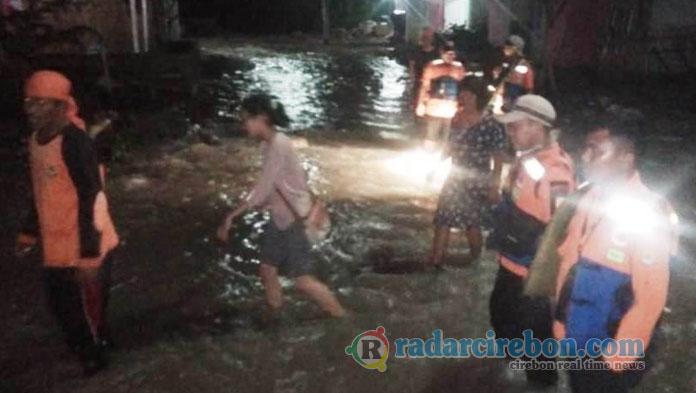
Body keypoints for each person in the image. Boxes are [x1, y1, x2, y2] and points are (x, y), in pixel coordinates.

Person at [540, 114, 675, 393]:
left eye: (596, 151)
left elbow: (650, 296)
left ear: (626, 158)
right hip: (580, 335)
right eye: (586, 148)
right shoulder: (588, 198)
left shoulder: (647, 212)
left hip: (611, 350)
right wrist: (560, 324)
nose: (585, 157)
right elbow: (568, 262)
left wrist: (617, 358)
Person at [14, 70, 119, 377]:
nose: (30, 108)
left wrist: (89, 255)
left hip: (87, 242)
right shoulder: (37, 139)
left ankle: (95, 360)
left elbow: (93, 197)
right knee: (64, 306)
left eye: (39, 102)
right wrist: (29, 232)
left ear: (60, 105)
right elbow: (41, 191)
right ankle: (95, 346)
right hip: (58, 243)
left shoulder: (75, 142)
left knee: (84, 309)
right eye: (28, 101)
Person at [216, 94, 346, 319]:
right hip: (280, 219)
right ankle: (275, 314)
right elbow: (276, 187)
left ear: (262, 118)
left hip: (296, 222)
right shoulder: (270, 145)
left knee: (302, 280)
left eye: (246, 118)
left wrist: (231, 216)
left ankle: (342, 316)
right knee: (267, 270)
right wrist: (263, 203)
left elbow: (264, 187)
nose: (243, 124)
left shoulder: (279, 145)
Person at [488, 95, 575, 387]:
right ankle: (514, 372)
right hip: (511, 261)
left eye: (515, 127)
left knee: (535, 336)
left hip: (530, 274)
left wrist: (545, 277)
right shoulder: (530, 158)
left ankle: (542, 382)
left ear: (537, 127)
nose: (509, 132)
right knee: (501, 317)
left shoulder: (555, 174)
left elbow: (563, 230)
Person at [428, 76, 508, 269]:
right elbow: (449, 147)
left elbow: (498, 159)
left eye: (466, 93)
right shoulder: (456, 117)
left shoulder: (491, 123)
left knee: (472, 223)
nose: (461, 96)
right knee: (443, 218)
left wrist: (494, 187)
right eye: (461, 92)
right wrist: (435, 168)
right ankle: (436, 262)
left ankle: (476, 262)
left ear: (475, 96)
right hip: (455, 178)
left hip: (477, 180)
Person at [416, 41, 466, 151]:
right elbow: (425, 86)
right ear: (442, 54)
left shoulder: (459, 68)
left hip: (451, 106)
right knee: (431, 134)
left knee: (447, 136)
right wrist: (420, 104)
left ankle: (443, 158)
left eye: (452, 54)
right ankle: (427, 155)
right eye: (448, 54)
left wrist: (462, 105)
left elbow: (462, 88)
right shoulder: (432, 66)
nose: (450, 57)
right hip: (434, 105)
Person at [492, 35, 534, 112]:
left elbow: (528, 84)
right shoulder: (505, 61)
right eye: (505, 47)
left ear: (516, 49)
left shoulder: (523, 64)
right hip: (501, 92)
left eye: (508, 48)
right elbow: (499, 77)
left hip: (515, 95)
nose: (505, 49)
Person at [408, 26, 439, 101]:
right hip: (419, 81)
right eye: (424, 37)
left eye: (428, 38)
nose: (426, 40)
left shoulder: (437, 52)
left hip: (433, 82)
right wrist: (412, 77)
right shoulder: (415, 51)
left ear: (432, 39)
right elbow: (411, 65)